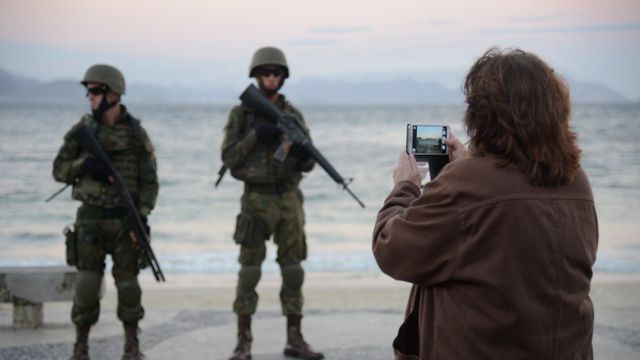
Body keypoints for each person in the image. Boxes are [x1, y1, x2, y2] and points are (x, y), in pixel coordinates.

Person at [372, 47, 598, 359]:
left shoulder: (466, 182)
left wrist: (405, 187)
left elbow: (391, 249)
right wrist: (469, 165)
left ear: (482, 112)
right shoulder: (576, 181)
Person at [220, 46, 324, 360]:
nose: (271, 78)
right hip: (255, 200)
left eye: (276, 73)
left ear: (283, 77)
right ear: (256, 75)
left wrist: (299, 153)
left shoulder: (293, 116)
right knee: (249, 271)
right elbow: (228, 159)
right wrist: (255, 135)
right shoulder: (242, 114)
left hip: (289, 198)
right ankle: (244, 342)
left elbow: (309, 164)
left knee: (293, 271)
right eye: (265, 72)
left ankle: (295, 339)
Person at [53, 64, 159, 360]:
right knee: (86, 285)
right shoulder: (82, 131)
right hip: (90, 219)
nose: (89, 97)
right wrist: (84, 166)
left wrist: (142, 215)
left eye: (95, 91)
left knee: (128, 286)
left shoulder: (137, 134)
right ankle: (81, 346)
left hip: (125, 222)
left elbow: (150, 182)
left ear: (114, 93)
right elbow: (58, 171)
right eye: (88, 91)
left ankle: (132, 346)